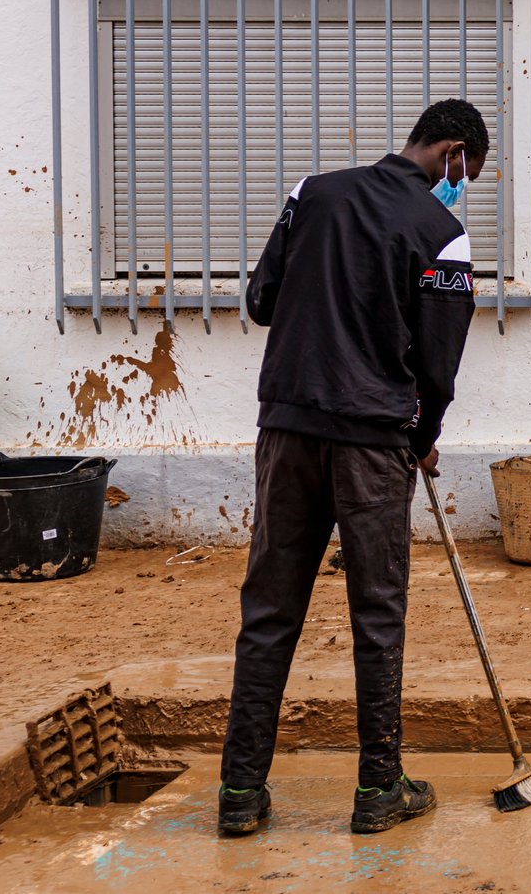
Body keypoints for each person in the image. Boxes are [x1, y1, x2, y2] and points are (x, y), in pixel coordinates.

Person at [217, 99, 486, 836]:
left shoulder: (312, 192)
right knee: (378, 611)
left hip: (289, 429)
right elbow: (439, 366)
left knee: (269, 612)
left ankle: (239, 792)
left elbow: (263, 300)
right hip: (372, 445)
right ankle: (378, 788)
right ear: (453, 152)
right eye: (467, 173)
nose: (462, 188)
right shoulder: (446, 236)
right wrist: (423, 436)